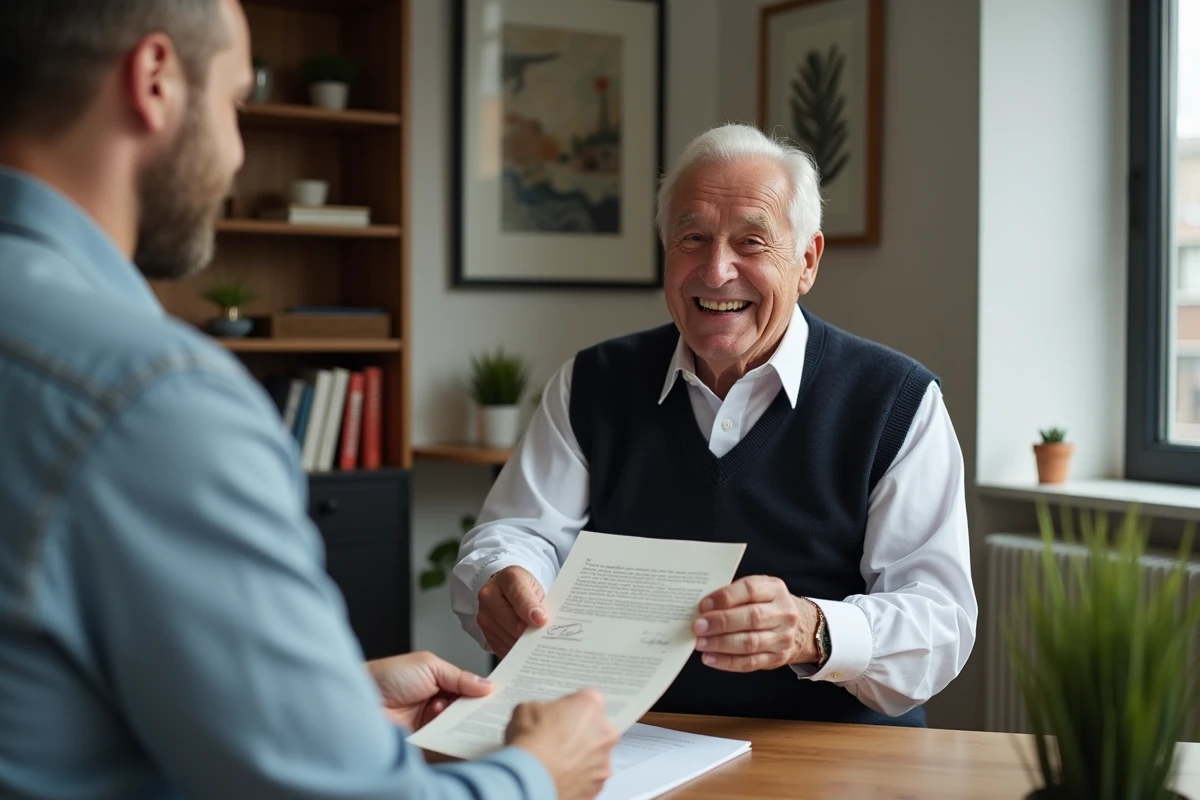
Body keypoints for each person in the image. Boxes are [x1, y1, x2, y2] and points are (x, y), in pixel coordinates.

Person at [0, 1, 618, 798]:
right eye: (234, 102)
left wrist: (332, 703)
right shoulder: (152, 401)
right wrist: (540, 774)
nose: (235, 152)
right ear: (154, 81)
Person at [452, 123, 978, 727]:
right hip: (626, 745)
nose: (716, 269)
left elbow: (940, 621)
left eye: (751, 242)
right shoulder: (590, 382)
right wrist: (506, 576)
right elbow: (519, 534)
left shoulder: (897, 401)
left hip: (828, 755)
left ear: (806, 261)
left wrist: (814, 630)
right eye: (692, 237)